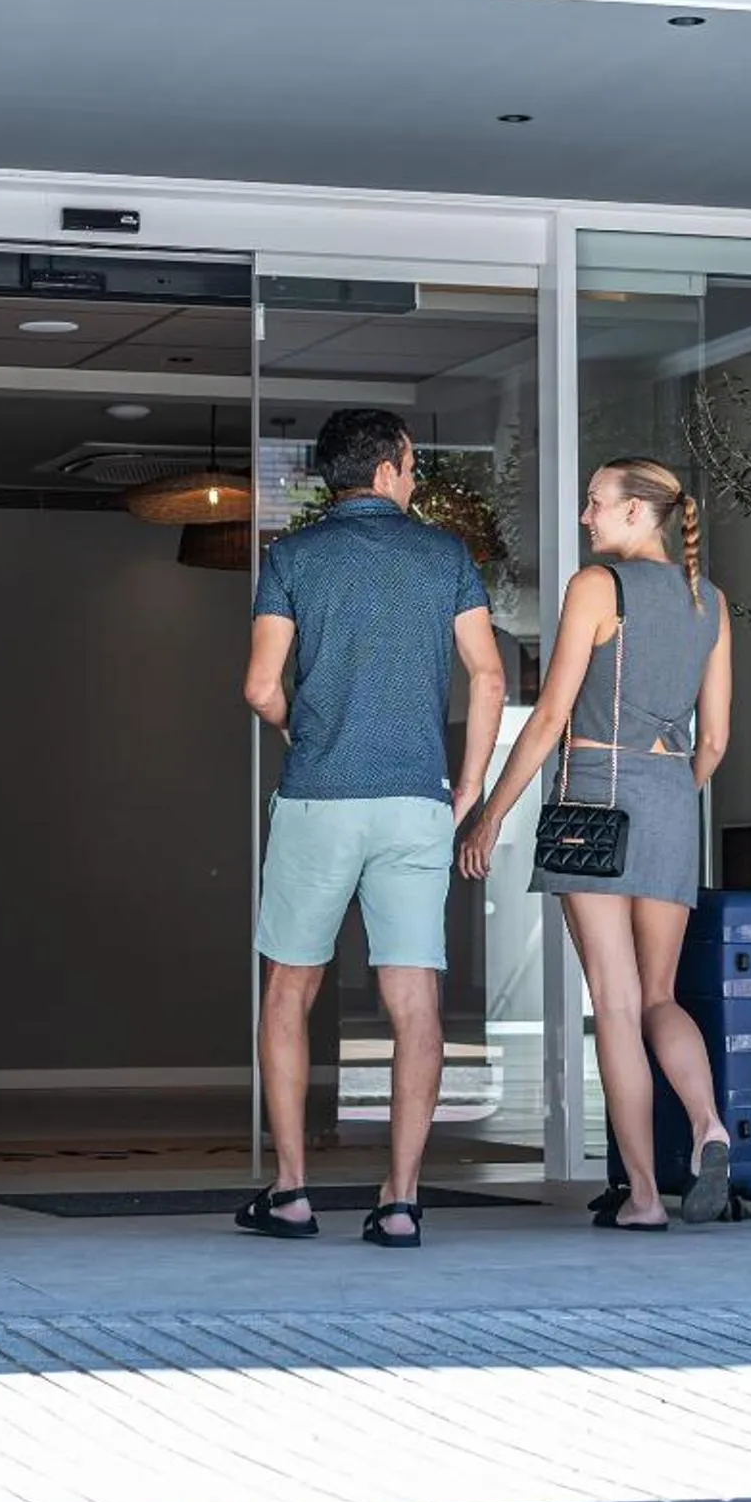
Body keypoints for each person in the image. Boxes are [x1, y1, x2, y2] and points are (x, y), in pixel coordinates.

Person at [240, 409, 507, 1250]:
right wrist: (468, 787)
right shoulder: (445, 557)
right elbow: (489, 677)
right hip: (414, 803)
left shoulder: (292, 558)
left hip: (318, 798)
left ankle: (291, 1191)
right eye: (413, 462)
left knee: (289, 990)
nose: (416, 474)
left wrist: (299, 727)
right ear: (389, 469)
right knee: (414, 1001)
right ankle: (400, 1201)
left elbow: (259, 687)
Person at [460, 458, 735, 1230]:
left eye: (595, 503)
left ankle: (644, 1198)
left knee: (615, 1005)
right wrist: (668, 797)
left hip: (595, 799)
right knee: (660, 997)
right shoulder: (711, 602)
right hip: (672, 799)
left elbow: (550, 718)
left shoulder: (596, 587)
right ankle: (709, 1124)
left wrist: (491, 814)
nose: (586, 517)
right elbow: (715, 740)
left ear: (638, 512)